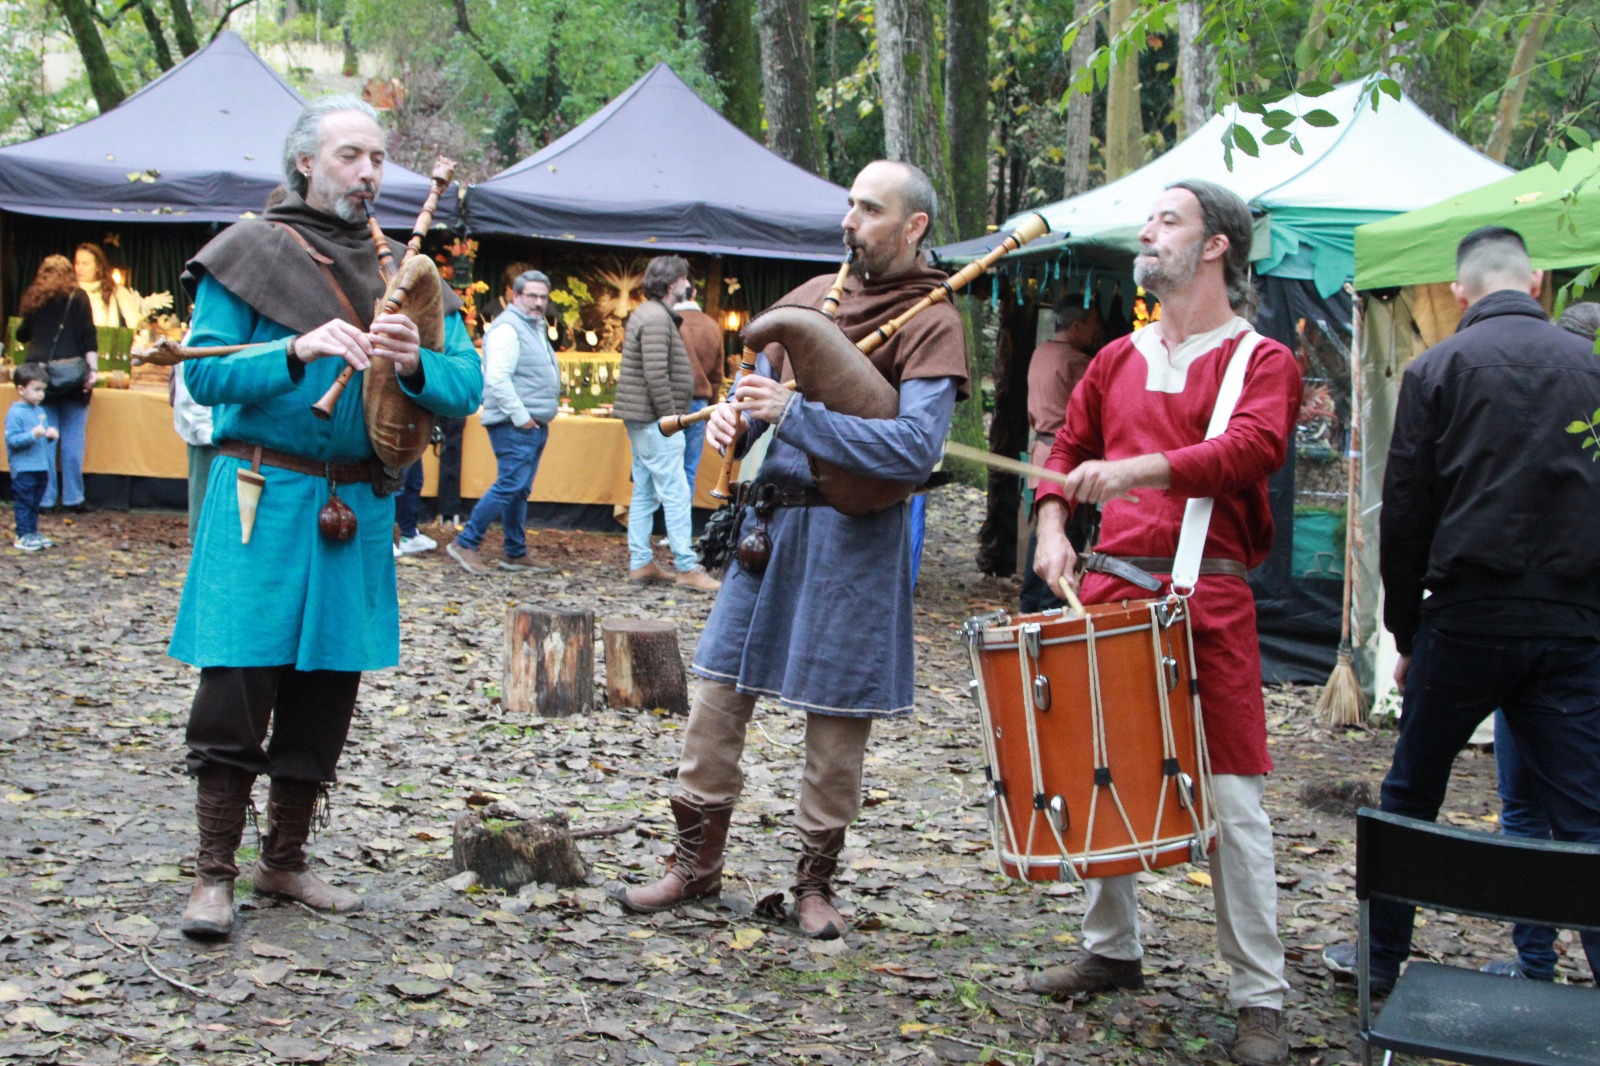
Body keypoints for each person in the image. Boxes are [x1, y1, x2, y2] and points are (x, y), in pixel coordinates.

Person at [617, 160, 967, 940]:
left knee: (837, 720)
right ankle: (693, 866)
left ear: (914, 227)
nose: (850, 221)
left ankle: (814, 884)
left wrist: (797, 414)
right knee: (714, 700)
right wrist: (733, 424)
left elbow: (913, 449)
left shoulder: (934, 317)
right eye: (849, 205)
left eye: (870, 209)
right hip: (768, 531)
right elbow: (753, 392)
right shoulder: (809, 298)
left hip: (857, 534)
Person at [166, 96, 482, 940]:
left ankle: (286, 860)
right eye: (351, 155)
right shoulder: (249, 252)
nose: (370, 173)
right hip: (261, 496)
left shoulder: (407, 271)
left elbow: (466, 386)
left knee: (325, 688)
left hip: (357, 503)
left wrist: (418, 364)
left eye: (378, 158)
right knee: (238, 681)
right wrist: (294, 350)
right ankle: (212, 874)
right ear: (305, 162)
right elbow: (201, 376)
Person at [1028, 180, 1301, 1066]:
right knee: (1097, 766)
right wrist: (1052, 524)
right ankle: (1112, 949)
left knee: (1233, 800)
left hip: (1209, 601)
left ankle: (1260, 996)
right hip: (1109, 590)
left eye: (1167, 220)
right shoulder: (1115, 357)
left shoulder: (1262, 360)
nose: (1147, 232)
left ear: (1216, 244)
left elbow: (1250, 449)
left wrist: (1139, 471)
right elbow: (1066, 450)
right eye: (1148, 220)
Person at [1323, 228, 1600, 992]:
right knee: (1586, 816)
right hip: (1573, 625)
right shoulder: (1592, 369)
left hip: (1467, 618)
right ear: (1537, 282)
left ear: (1457, 293)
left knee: (1413, 791)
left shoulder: (1437, 368)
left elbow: (1405, 513)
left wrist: (1408, 633)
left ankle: (1380, 962)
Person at [612, 255, 721, 592]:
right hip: (655, 421)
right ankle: (687, 567)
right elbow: (656, 373)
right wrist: (670, 419)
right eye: (685, 279)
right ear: (673, 281)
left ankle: (641, 562)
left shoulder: (652, 315)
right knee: (675, 491)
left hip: (646, 419)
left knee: (646, 491)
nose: (688, 285)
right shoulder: (657, 319)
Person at [446, 269, 561, 575]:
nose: (538, 302)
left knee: (518, 488)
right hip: (515, 423)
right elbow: (497, 378)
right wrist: (521, 417)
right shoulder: (508, 328)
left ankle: (514, 552)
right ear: (515, 296)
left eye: (542, 296)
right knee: (510, 484)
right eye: (532, 296)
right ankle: (466, 542)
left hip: (530, 422)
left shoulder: (532, 325)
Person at [1020, 298, 1101, 612]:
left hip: (1040, 452)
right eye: (1092, 322)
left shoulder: (1041, 352)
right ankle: (1048, 610)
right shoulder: (1076, 362)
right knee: (1064, 536)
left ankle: (1029, 607)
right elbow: (1094, 418)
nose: (1095, 330)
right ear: (1078, 325)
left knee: (1043, 532)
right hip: (1064, 459)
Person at [14, 254, 97, 513]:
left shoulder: (36, 298)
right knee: (74, 440)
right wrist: (92, 370)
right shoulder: (79, 296)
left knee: (44, 439)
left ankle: (46, 500)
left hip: (41, 378)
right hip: (73, 377)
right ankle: (74, 498)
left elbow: (22, 334)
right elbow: (88, 336)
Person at [675, 281, 725, 493]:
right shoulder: (712, 326)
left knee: (654, 472)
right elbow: (717, 376)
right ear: (694, 293)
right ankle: (680, 525)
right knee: (688, 469)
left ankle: (651, 522)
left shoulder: (666, 323)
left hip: (666, 403)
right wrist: (710, 410)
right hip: (698, 404)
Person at [6, 364, 58, 551]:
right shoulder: (16, 413)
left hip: (40, 466)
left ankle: (32, 531)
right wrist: (32, 435)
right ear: (21, 389)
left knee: (35, 502)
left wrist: (50, 436)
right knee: (24, 502)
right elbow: (12, 440)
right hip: (24, 468)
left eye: (43, 390)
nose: (40, 395)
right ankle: (22, 535)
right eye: (36, 390)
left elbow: (41, 440)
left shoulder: (40, 412)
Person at [170, 361, 217, 544]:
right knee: (203, 519)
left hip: (219, 435)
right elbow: (190, 396)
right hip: (209, 437)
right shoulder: (197, 339)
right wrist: (207, 433)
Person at [73, 242, 143, 330]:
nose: (79, 268)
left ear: (98, 266)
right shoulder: (70, 292)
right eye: (77, 263)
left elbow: (136, 325)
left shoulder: (117, 292)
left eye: (85, 264)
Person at [392, 460, 436, 557]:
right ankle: (384, 542)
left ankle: (409, 537)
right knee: (393, 485)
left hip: (414, 446)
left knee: (413, 482)